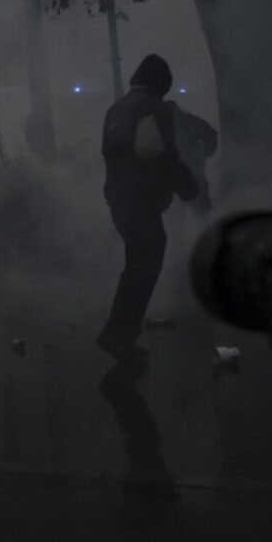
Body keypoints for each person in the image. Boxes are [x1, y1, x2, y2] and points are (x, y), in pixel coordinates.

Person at [98, 55, 197, 369]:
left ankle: (120, 335)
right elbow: (159, 155)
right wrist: (187, 186)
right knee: (144, 267)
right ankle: (118, 335)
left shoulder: (116, 109)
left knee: (137, 265)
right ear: (160, 84)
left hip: (119, 200)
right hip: (139, 201)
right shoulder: (154, 108)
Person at [169, 102, 218, 217]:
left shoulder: (188, 122)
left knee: (199, 208)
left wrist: (205, 154)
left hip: (191, 170)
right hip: (175, 172)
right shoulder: (184, 122)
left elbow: (210, 134)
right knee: (177, 212)